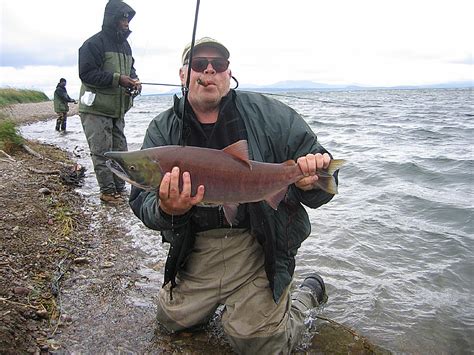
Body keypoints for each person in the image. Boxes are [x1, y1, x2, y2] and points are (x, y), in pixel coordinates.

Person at [129, 37, 339, 354]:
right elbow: (140, 201)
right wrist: (165, 208)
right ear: (183, 75)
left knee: (260, 345)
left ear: (229, 73)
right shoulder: (163, 130)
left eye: (219, 64)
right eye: (199, 64)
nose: (209, 71)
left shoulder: (273, 116)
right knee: (171, 322)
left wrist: (316, 178)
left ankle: (307, 295)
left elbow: (323, 168)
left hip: (259, 245)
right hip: (198, 248)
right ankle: (224, 303)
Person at [78, 0, 141, 204]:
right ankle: (107, 192)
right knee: (102, 152)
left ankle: (120, 189)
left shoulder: (126, 46)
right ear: (112, 18)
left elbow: (130, 71)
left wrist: (134, 81)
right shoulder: (92, 44)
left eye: (128, 18)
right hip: (95, 109)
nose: (126, 22)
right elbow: (86, 74)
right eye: (123, 18)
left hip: (118, 110)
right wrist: (118, 79)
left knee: (120, 152)